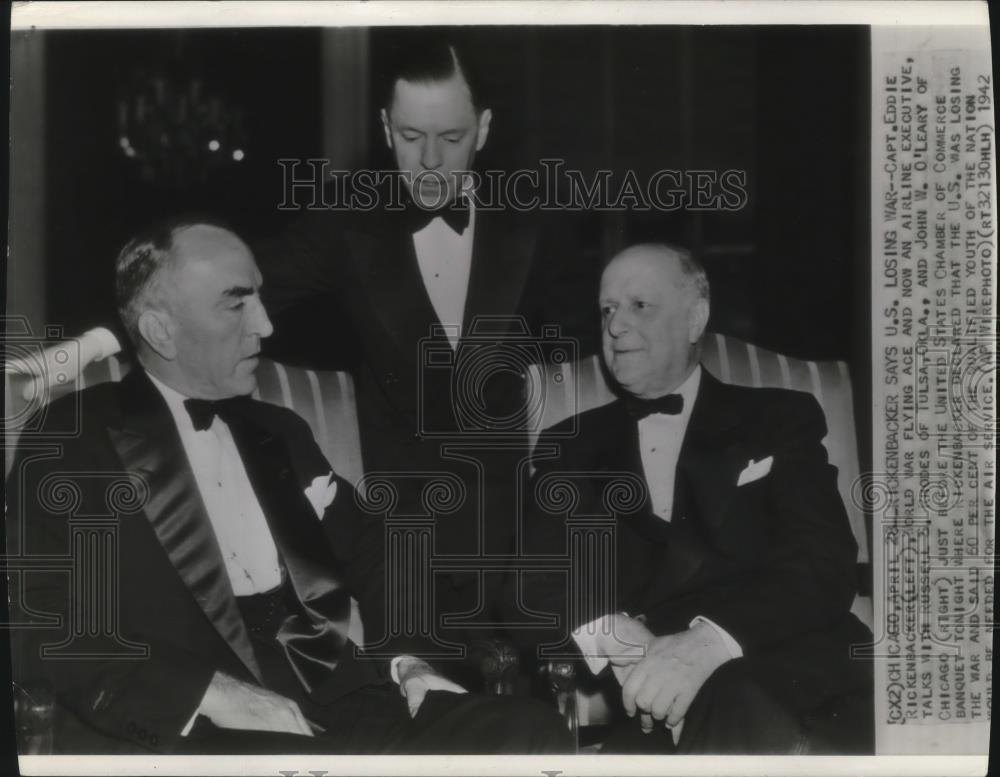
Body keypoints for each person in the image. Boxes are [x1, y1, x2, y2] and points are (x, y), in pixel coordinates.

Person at [13, 33, 599, 662]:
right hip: (396, 537)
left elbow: (606, 327)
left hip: (512, 535)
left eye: (451, 138)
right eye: (409, 136)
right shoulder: (347, 225)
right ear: (383, 126)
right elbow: (189, 291)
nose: (429, 160)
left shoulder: (535, 223)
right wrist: (76, 352)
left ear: (483, 129)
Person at [5, 219, 573, 754]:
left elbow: (382, 562)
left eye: (261, 296)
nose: (267, 325)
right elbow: (44, 625)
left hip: (345, 705)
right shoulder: (74, 439)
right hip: (201, 731)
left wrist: (411, 660)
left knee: (528, 731)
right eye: (237, 303)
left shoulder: (279, 431)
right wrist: (215, 693)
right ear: (160, 330)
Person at [511, 243, 873, 753]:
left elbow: (823, 561)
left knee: (742, 700)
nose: (615, 326)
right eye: (608, 309)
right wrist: (621, 643)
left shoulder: (779, 417)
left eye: (640, 305)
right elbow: (532, 587)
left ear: (695, 317)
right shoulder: (567, 445)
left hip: (794, 665)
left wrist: (709, 644)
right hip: (654, 701)